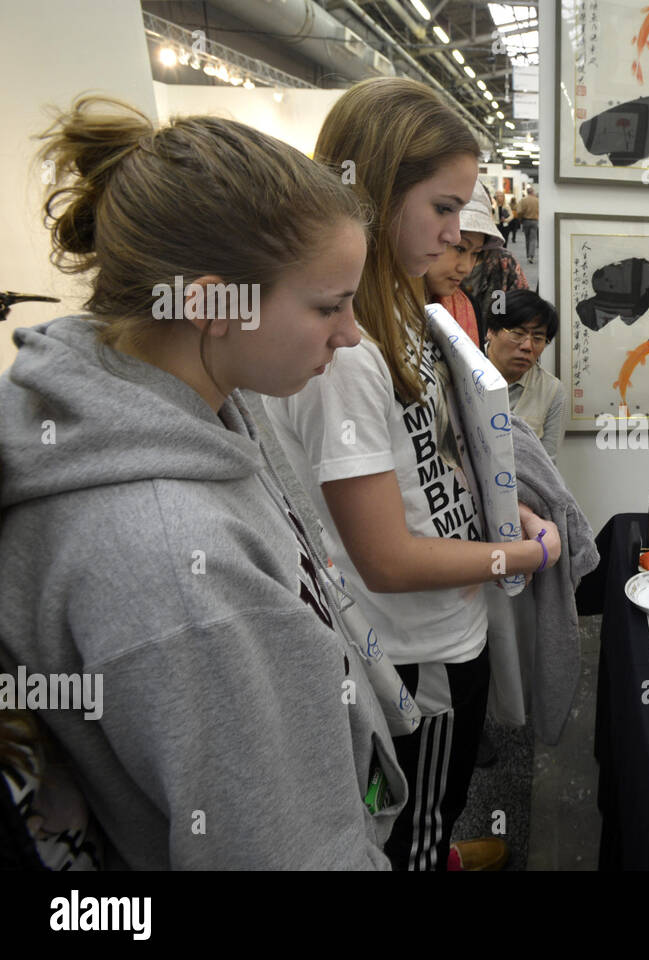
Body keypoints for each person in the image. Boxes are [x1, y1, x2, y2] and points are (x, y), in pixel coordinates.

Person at [0, 96, 406, 868]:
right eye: (328, 305)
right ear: (210, 302)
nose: (351, 333)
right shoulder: (175, 565)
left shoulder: (181, 400)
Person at [263, 77, 562, 873]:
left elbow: (436, 461)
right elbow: (386, 558)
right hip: (410, 649)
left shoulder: (401, 315)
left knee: (438, 795)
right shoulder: (350, 350)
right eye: (442, 208)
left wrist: (507, 519)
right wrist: (520, 557)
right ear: (378, 191)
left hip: (444, 626)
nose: (456, 234)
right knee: (408, 824)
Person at [482, 290, 565, 462]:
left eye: (538, 338)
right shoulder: (459, 373)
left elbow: (546, 465)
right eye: (518, 334)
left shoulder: (551, 390)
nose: (528, 346)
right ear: (491, 331)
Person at [422, 180, 502, 343]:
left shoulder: (467, 307)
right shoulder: (380, 311)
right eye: (460, 248)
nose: (466, 268)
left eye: (476, 254)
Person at [515, 186, 539, 264]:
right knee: (533, 239)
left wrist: (520, 218)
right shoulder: (537, 200)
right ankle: (531, 256)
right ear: (533, 192)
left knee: (527, 239)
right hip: (535, 221)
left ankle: (528, 255)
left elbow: (519, 211)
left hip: (526, 221)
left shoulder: (523, 200)